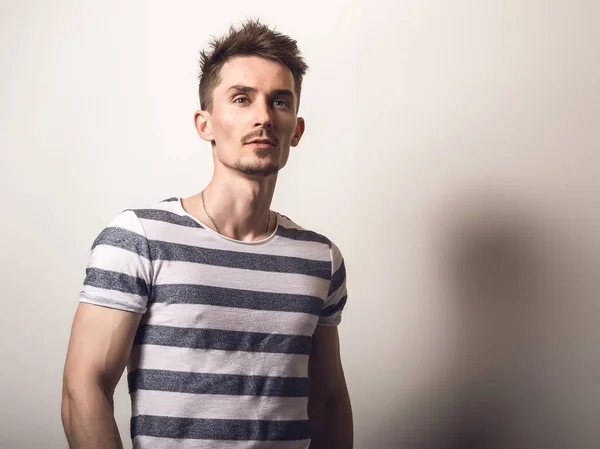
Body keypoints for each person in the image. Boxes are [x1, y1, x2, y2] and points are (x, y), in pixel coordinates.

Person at [61, 19, 353, 449]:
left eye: (279, 101)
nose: (263, 117)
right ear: (205, 124)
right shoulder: (140, 238)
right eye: (241, 99)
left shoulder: (320, 258)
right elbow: (83, 388)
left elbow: (327, 401)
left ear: (297, 129)